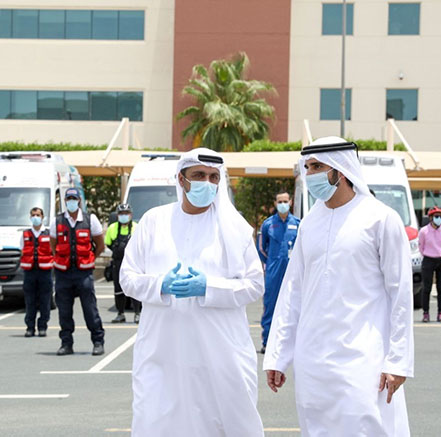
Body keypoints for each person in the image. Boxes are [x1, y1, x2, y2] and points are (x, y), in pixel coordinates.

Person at [263, 136, 414, 436]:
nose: (310, 174)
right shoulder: (309, 224)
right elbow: (292, 293)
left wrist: (398, 361)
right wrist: (278, 356)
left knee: (365, 426)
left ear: (341, 170)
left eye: (317, 166)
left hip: (363, 358)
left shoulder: (381, 218)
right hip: (313, 359)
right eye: (307, 167)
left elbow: (401, 294)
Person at [120, 148, 265, 437]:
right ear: (181, 180)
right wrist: (159, 285)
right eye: (199, 175)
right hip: (164, 353)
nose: (207, 182)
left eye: (213, 177)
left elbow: (254, 285)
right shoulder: (154, 221)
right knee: (160, 422)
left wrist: (209, 288)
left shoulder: (234, 228)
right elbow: (128, 278)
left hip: (220, 354)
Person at [50, 188, 105, 356]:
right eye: (69, 199)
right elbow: (53, 245)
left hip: (84, 273)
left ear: (79, 200)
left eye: (74, 198)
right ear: (65, 201)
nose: (71, 201)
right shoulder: (57, 221)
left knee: (90, 309)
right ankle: (66, 343)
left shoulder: (90, 219)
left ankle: (98, 342)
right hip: (63, 273)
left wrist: (89, 259)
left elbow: (100, 245)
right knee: (64, 311)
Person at [258, 191, 300, 354]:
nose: (283, 204)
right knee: (271, 306)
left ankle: (294, 343)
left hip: (293, 271)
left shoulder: (298, 223)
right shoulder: (268, 224)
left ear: (290, 202)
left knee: (294, 305)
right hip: (274, 271)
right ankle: (267, 341)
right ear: (275, 203)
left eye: (285, 201)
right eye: (279, 201)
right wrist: (271, 261)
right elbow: (261, 248)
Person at [19, 207, 54, 337]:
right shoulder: (25, 234)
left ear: (42, 217)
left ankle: (42, 326)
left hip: (45, 272)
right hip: (30, 272)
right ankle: (30, 327)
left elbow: (54, 250)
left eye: (38, 215)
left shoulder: (49, 233)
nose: (35, 217)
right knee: (30, 301)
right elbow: (22, 250)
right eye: (33, 215)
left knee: (45, 300)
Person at [105, 203, 140, 323]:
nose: (123, 216)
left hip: (133, 262)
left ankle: (137, 313)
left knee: (135, 287)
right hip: (118, 262)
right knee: (118, 289)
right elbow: (108, 243)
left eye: (126, 213)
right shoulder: (112, 228)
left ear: (130, 215)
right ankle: (120, 313)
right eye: (121, 214)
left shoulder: (137, 227)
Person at [418, 206, 441, 322]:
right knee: (426, 288)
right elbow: (421, 246)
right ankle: (425, 313)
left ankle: (440, 312)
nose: (439, 219)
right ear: (431, 218)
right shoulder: (424, 231)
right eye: (436, 216)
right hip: (428, 259)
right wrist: (427, 254)